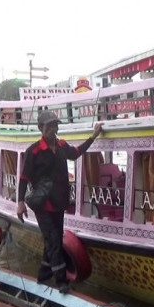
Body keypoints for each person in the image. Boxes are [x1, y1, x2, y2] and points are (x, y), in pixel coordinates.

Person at [17, 110, 103, 293]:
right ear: (41, 128)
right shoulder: (33, 151)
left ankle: (43, 275)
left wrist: (93, 137)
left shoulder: (62, 146)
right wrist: (20, 202)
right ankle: (61, 281)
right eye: (49, 126)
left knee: (52, 239)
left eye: (55, 125)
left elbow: (76, 153)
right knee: (55, 240)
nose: (53, 129)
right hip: (42, 204)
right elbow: (24, 178)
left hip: (59, 200)